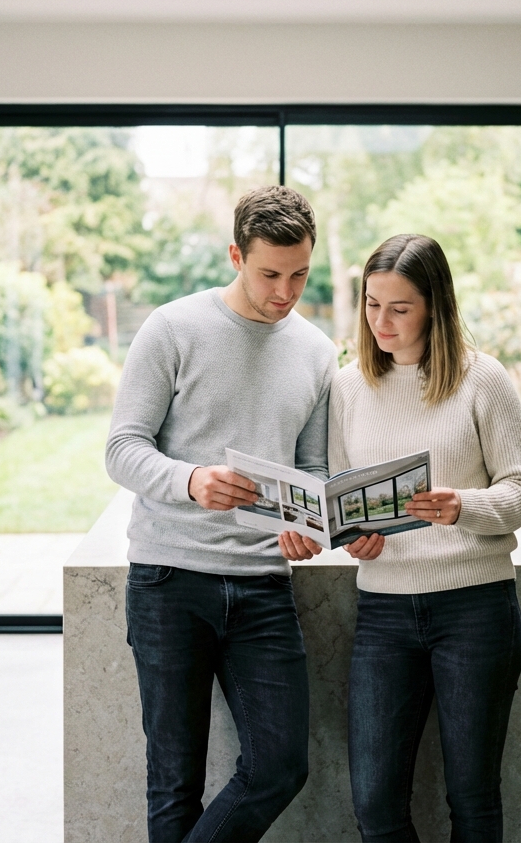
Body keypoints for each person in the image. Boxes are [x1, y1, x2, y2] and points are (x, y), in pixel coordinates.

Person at [282, 233, 521, 842]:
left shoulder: (484, 380)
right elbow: (346, 492)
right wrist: (353, 538)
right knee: (374, 803)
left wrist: (462, 507)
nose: (381, 322)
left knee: (473, 797)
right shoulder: (348, 387)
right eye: (372, 305)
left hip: (476, 608)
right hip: (384, 613)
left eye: (399, 308)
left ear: (435, 306)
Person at [105, 186, 336, 842]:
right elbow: (122, 449)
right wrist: (191, 480)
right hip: (168, 582)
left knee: (281, 765)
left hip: (264, 585)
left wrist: (307, 525)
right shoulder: (173, 328)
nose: (285, 291)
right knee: (173, 780)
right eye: (269, 273)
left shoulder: (317, 352)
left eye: (299, 274)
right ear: (236, 255)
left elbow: (312, 469)